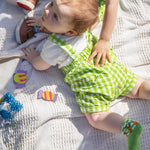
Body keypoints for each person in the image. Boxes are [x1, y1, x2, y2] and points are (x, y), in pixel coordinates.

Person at [20, 0, 146, 150]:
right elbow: (80, 20)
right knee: (139, 87)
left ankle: (129, 128)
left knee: (96, 118)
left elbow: (40, 66)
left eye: (55, 16)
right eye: (52, 4)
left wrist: (34, 57)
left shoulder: (54, 46)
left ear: (70, 32)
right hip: (110, 68)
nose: (46, 11)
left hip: (94, 85)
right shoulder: (85, 28)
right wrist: (47, 22)